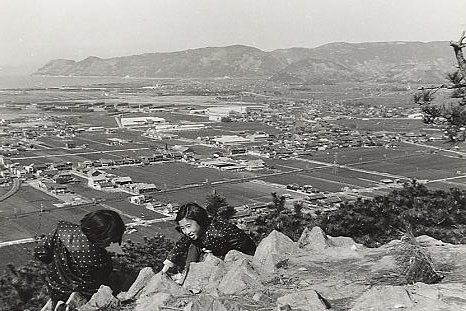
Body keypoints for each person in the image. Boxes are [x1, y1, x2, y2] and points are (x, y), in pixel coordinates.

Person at [34, 210, 125, 309]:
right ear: (101, 236)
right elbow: (101, 281)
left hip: (54, 287)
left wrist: (54, 264)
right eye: (110, 240)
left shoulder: (61, 231)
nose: (110, 244)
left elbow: (40, 252)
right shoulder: (100, 258)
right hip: (82, 294)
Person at [161, 202, 256, 282]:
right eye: (182, 228)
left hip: (243, 255)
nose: (186, 231)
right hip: (222, 251)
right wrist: (165, 269)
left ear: (200, 221)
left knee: (196, 246)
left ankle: (189, 277)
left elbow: (222, 255)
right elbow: (180, 246)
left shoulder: (216, 233)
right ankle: (188, 274)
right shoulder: (200, 231)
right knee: (193, 245)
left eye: (189, 226)